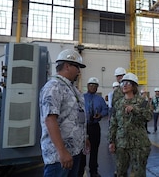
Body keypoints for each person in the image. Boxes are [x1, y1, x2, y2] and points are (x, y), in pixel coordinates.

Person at [39, 49, 89, 177]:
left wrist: (84, 138)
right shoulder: (54, 86)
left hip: (75, 151)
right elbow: (50, 119)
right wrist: (62, 151)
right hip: (60, 156)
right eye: (77, 67)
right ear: (67, 66)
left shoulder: (70, 88)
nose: (79, 71)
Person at [108, 73, 153, 177]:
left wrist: (135, 109)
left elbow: (148, 116)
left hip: (138, 144)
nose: (124, 85)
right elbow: (113, 123)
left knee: (139, 173)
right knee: (120, 172)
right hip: (121, 144)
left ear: (134, 86)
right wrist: (111, 141)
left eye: (128, 83)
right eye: (123, 82)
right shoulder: (118, 103)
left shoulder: (142, 102)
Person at [78, 77, 108, 177]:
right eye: (91, 85)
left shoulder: (100, 99)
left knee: (94, 150)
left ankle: (93, 170)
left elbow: (105, 109)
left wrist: (100, 114)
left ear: (97, 87)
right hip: (83, 127)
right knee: (82, 150)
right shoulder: (82, 97)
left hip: (94, 127)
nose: (93, 87)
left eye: (95, 86)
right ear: (87, 86)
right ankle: (80, 170)